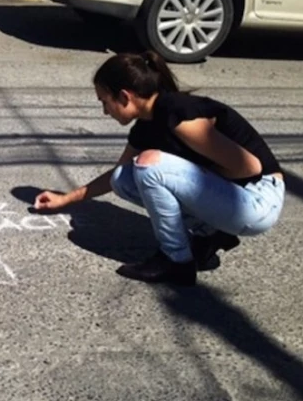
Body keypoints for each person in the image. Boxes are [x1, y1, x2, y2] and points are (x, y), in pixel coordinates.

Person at [33, 50, 285, 286]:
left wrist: (195, 180)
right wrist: (64, 200)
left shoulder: (179, 114)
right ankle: (209, 233)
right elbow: (115, 175)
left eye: (105, 102)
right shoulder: (146, 125)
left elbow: (250, 167)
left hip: (257, 200)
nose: (104, 111)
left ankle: (176, 262)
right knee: (124, 178)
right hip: (234, 197)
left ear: (124, 96)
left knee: (150, 166)